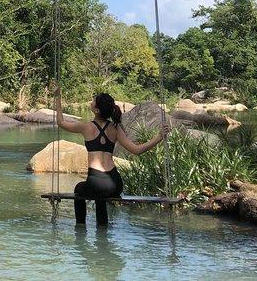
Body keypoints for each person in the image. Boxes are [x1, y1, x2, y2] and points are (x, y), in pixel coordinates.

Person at [52, 84, 169, 227]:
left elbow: (61, 122)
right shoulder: (115, 128)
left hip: (97, 182)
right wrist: (159, 137)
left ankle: (80, 229)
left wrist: (57, 97)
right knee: (99, 197)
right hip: (115, 184)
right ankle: (102, 231)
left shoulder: (86, 127)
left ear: (96, 110)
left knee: (79, 189)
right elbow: (137, 150)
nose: (92, 100)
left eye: (94, 100)